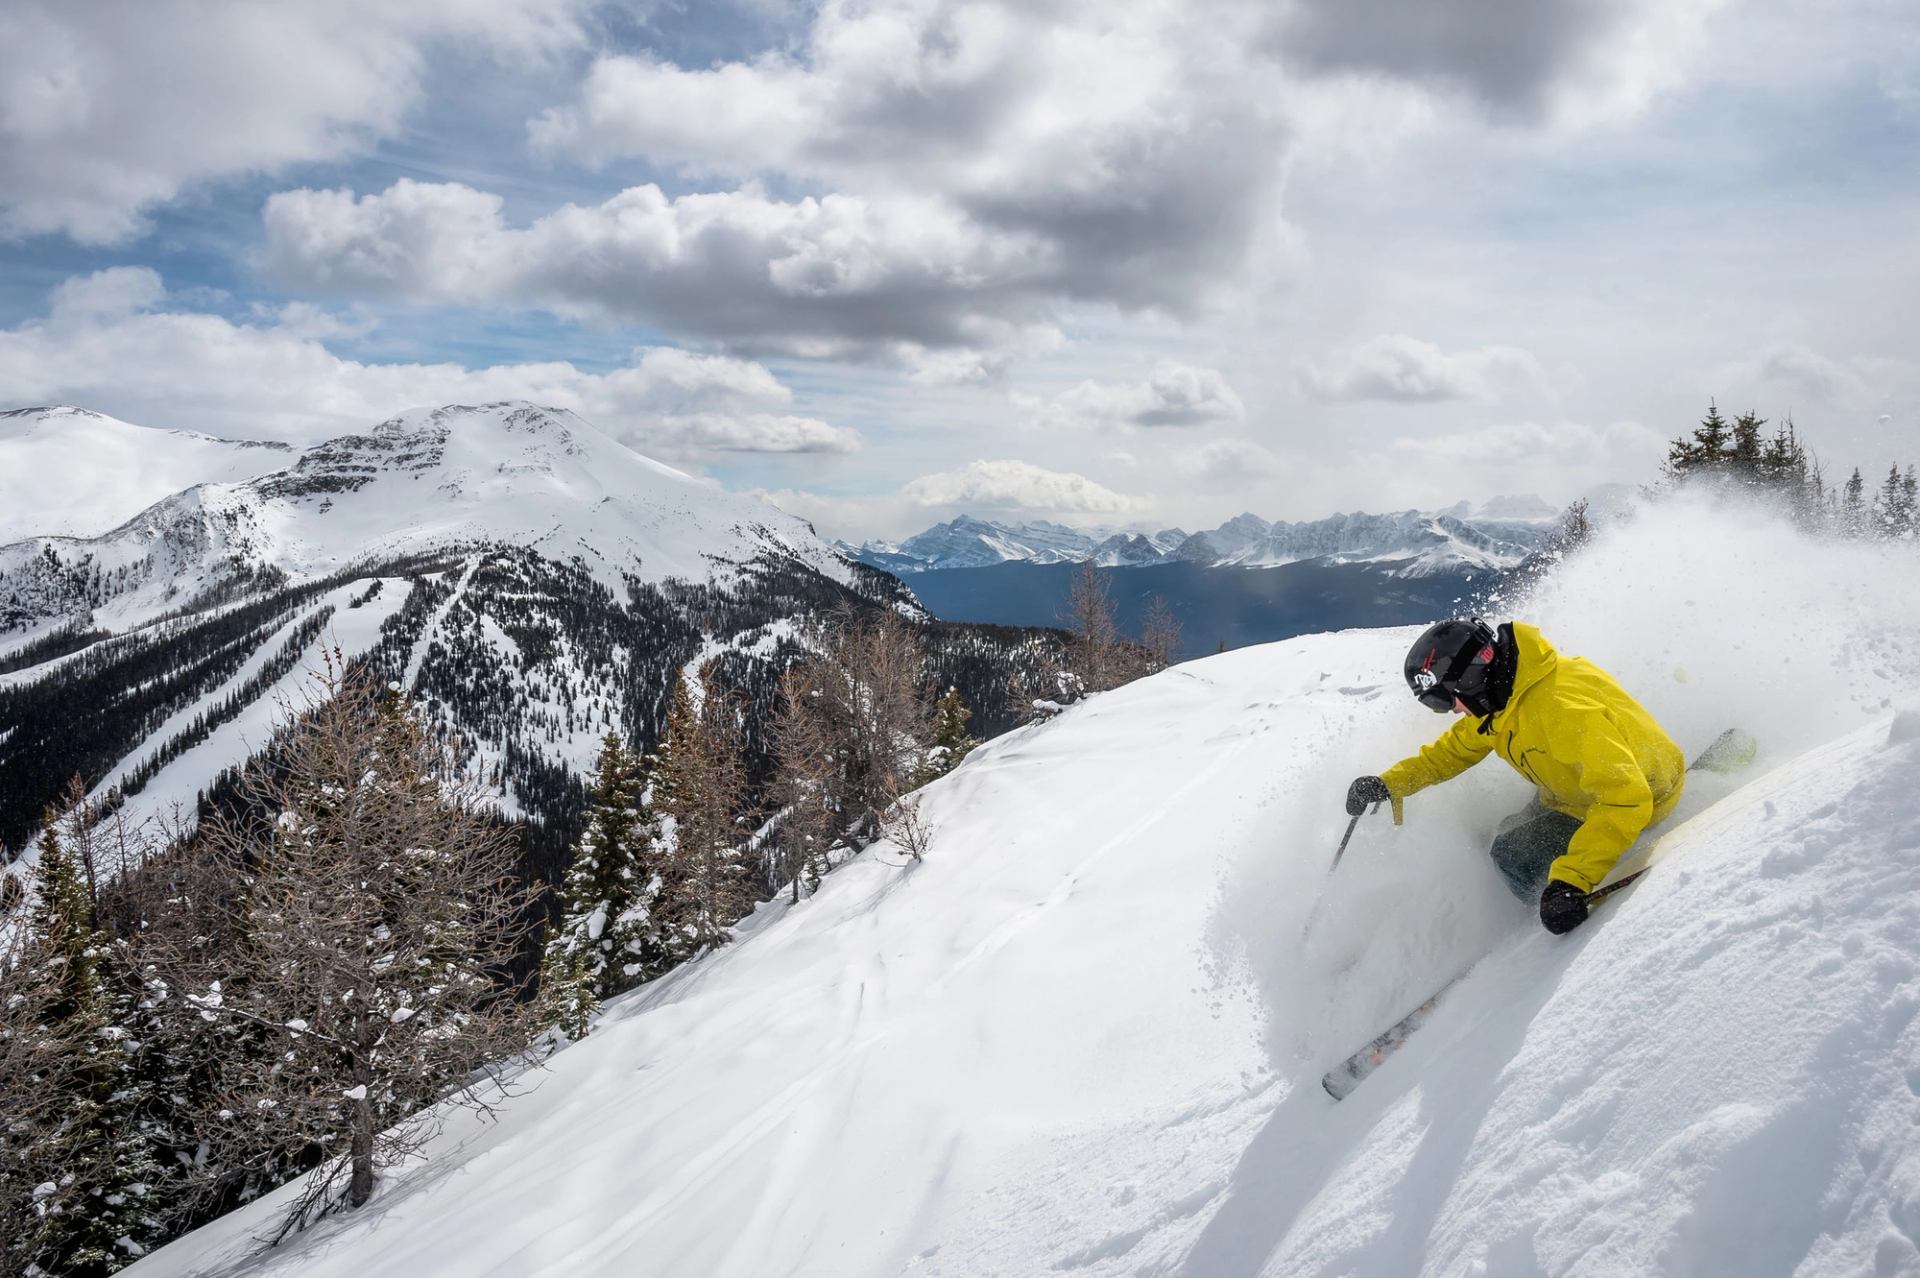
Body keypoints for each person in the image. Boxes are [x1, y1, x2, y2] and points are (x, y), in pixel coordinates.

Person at [1345, 618, 1685, 935]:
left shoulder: (1560, 710)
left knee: (1511, 857)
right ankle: (1568, 870)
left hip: (1641, 796)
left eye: (1446, 702)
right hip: (1575, 792)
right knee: (1506, 829)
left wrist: (1571, 882)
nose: (1452, 711)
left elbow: (1626, 797)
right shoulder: (1507, 695)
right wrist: (1389, 784)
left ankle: (1535, 923)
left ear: (1469, 679)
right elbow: (1450, 753)